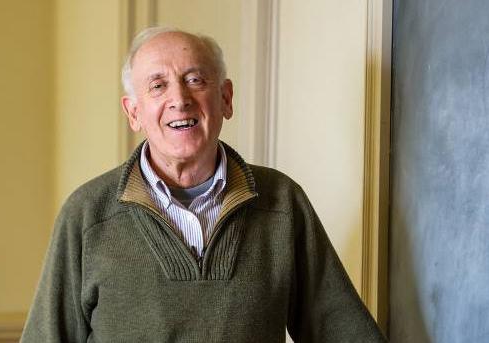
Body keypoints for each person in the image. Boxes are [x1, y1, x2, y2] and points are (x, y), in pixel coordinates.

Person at [21, 27, 387, 342]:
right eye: (158, 86)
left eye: (195, 80)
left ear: (226, 98)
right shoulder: (87, 215)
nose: (179, 100)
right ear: (134, 112)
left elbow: (343, 331)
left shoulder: (281, 202)